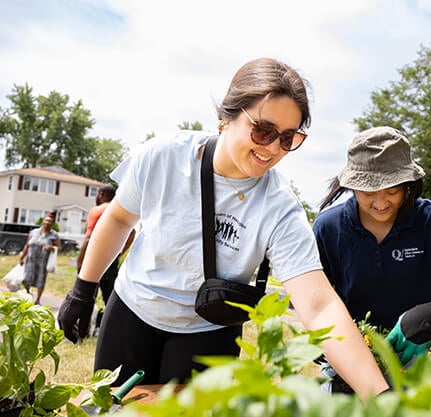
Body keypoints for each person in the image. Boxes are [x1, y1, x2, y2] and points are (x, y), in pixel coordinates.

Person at [57, 57, 389, 399]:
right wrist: (83, 289)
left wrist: (381, 396)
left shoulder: (279, 207)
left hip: (209, 331)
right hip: (133, 313)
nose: (273, 148)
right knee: (113, 407)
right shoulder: (163, 157)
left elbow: (318, 304)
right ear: (226, 117)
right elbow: (119, 219)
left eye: (288, 138)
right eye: (263, 130)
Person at [312, 126, 431, 393]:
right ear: (352, 185)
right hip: (345, 357)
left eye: (392, 191)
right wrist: (322, 338)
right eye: (368, 192)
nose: (380, 202)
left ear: (408, 185)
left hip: (408, 360)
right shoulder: (329, 227)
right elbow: (313, 301)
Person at [77, 184, 135, 336]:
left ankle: (82, 333)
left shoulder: (97, 210)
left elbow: (89, 237)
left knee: (88, 296)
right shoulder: (118, 208)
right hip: (113, 260)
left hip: (96, 259)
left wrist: (80, 260)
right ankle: (113, 333)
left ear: (101, 194)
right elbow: (132, 232)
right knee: (111, 298)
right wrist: (120, 251)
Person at [19, 213, 61, 305]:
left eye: (50, 221)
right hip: (30, 260)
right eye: (46, 220)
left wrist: (51, 247)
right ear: (43, 221)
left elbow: (59, 248)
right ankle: (28, 293)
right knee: (26, 279)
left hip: (43, 262)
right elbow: (27, 245)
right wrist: (22, 257)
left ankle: (38, 300)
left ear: (53, 223)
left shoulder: (54, 235)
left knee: (40, 280)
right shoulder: (34, 232)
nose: (47, 222)